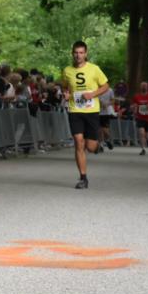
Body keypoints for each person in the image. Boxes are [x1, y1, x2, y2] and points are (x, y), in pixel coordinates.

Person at [61, 41, 109, 189]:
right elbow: (65, 86)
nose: (78, 55)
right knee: (79, 142)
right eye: (76, 52)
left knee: (90, 147)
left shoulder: (94, 69)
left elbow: (106, 86)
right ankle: (83, 178)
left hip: (91, 110)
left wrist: (93, 94)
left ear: (86, 54)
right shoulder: (67, 70)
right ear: (72, 54)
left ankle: (97, 146)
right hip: (75, 110)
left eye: (81, 52)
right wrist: (66, 94)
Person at [131, 82, 148, 156]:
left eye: (145, 86)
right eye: (142, 86)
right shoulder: (136, 96)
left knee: (147, 135)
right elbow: (132, 106)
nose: (144, 87)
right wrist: (134, 107)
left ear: (147, 87)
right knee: (141, 133)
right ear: (140, 87)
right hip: (140, 117)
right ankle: (143, 149)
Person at [98, 84, 117, 151]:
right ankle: (101, 145)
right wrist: (100, 103)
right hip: (97, 111)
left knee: (105, 130)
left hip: (106, 112)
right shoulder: (96, 89)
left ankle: (108, 140)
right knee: (99, 129)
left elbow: (113, 100)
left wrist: (107, 104)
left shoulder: (109, 90)